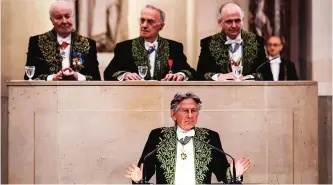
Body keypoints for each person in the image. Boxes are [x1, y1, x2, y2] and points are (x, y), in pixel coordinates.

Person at [125, 92, 251, 184]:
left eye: (194, 111)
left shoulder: (210, 137)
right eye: (185, 111)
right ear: (173, 114)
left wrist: (236, 173)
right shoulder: (158, 136)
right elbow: (144, 172)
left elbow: (223, 175)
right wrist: (137, 179)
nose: (190, 115)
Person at [103, 5, 195, 81]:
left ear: (161, 26)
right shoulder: (124, 47)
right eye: (142, 20)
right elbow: (108, 73)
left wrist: (181, 75)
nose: (144, 25)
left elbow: (190, 72)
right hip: (132, 98)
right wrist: (125, 75)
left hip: (164, 98)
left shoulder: (174, 47)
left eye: (150, 22)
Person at [24, 0, 101, 81]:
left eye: (67, 16)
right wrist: (52, 78)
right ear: (51, 20)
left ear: (73, 17)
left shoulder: (89, 44)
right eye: (59, 17)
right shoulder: (36, 42)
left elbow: (96, 78)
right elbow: (29, 76)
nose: (64, 21)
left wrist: (78, 77)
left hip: (79, 92)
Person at [196, 2, 266, 81]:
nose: (234, 25)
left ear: (242, 20)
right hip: (219, 92)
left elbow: (266, 73)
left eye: (237, 21)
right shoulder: (208, 43)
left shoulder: (257, 41)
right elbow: (200, 74)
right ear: (220, 22)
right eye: (229, 21)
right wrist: (219, 77)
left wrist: (248, 78)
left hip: (250, 91)